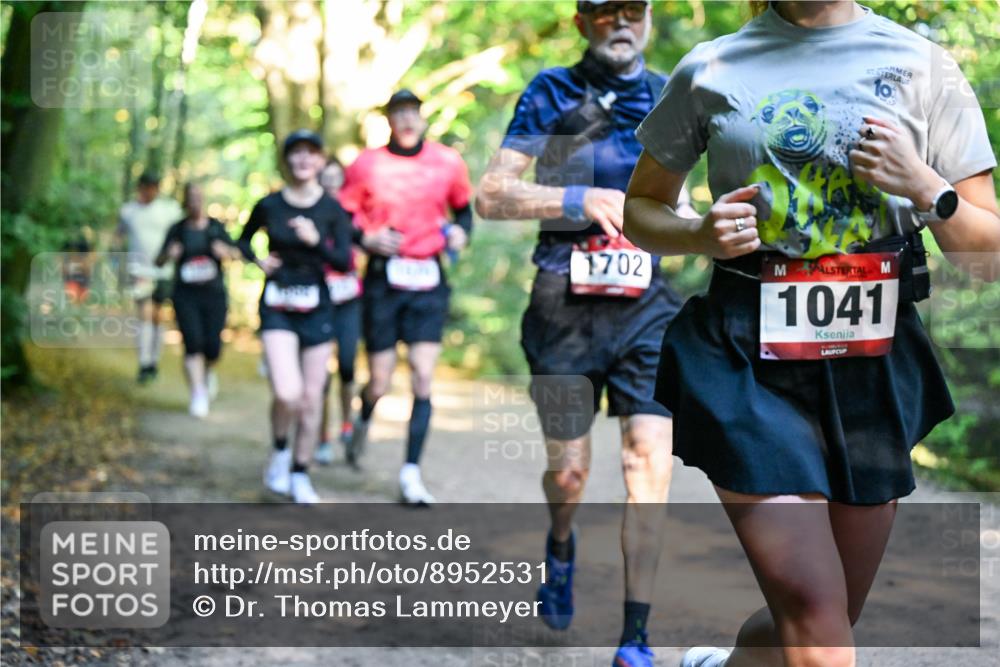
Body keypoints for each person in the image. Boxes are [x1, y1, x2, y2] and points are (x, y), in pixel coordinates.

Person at [623, 1, 999, 665]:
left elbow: (986, 253)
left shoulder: (924, 66)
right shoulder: (711, 65)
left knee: (822, 619)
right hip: (746, 358)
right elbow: (642, 207)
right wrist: (697, 233)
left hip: (871, 364)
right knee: (819, 630)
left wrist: (924, 185)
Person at [475, 2, 695, 665]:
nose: (622, 21)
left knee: (646, 459)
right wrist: (580, 200)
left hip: (648, 307)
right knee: (569, 473)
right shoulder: (551, 91)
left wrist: (694, 222)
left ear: (649, 19)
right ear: (581, 22)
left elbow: (683, 206)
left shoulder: (671, 97)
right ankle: (561, 544)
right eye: (606, 11)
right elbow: (491, 194)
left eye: (635, 9)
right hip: (562, 307)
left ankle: (635, 634)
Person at [339, 89, 474, 506]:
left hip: (428, 276)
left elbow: (464, 209)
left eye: (413, 111)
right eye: (399, 112)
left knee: (421, 375)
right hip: (384, 278)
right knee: (379, 380)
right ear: (390, 120)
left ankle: (410, 473)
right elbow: (342, 217)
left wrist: (461, 232)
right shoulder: (367, 164)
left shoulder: (447, 162)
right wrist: (366, 238)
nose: (407, 119)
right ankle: (362, 422)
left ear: (422, 118)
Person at [238, 129, 353, 504]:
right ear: (287, 160)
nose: (304, 160)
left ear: (321, 161)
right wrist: (258, 260)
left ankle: (301, 473)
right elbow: (243, 240)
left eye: (311, 154)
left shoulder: (332, 210)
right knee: (287, 393)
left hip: (317, 306)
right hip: (278, 304)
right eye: (296, 153)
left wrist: (314, 241)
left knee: (311, 398)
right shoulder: (270, 204)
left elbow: (344, 261)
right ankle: (280, 450)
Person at [156, 182, 239, 418]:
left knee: (212, 348)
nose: (195, 201)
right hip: (185, 296)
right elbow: (159, 260)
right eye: (190, 197)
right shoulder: (177, 229)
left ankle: (207, 371)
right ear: (185, 200)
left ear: (203, 199)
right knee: (192, 343)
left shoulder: (215, 228)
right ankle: (198, 393)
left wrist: (226, 251)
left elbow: (236, 253)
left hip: (213, 295)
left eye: (198, 196)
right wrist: (169, 255)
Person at [315, 156, 363, 464]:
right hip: (320, 300)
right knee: (320, 376)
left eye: (336, 178)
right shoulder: (311, 214)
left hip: (349, 298)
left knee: (347, 366)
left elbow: (364, 244)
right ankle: (322, 437)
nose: (331, 184)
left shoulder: (352, 215)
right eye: (326, 178)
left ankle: (347, 423)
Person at [116, 171, 184, 383]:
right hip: (139, 270)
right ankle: (144, 362)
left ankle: (153, 360)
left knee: (157, 315)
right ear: (140, 187)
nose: (150, 191)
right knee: (144, 312)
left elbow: (180, 234)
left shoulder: (169, 210)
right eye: (147, 186)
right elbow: (118, 236)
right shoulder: (128, 211)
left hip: (164, 271)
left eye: (154, 186)